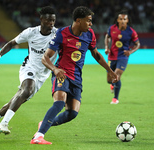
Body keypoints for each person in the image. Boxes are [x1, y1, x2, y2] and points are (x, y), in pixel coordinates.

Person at [30, 6, 118, 145]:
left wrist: (109, 70)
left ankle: (45, 123)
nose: (91, 24)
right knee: (59, 103)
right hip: (62, 74)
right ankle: (38, 136)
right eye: (88, 21)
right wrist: (55, 69)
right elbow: (45, 57)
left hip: (76, 78)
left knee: (72, 113)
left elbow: (96, 54)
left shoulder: (89, 35)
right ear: (78, 20)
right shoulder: (62, 33)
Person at [0, 6, 58, 135]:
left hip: (43, 74)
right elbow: (11, 43)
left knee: (16, 100)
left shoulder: (57, 35)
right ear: (41, 19)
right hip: (29, 67)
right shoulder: (30, 32)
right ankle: (4, 124)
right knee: (27, 90)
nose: (51, 23)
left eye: (53, 20)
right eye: (48, 20)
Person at [104, 10, 140, 104]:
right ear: (118, 20)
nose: (123, 20)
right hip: (111, 56)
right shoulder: (112, 28)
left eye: (124, 19)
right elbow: (107, 37)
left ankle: (115, 98)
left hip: (123, 57)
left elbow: (138, 44)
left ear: (127, 20)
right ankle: (112, 84)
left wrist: (130, 51)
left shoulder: (131, 31)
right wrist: (107, 47)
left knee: (116, 75)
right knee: (109, 79)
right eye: (121, 19)